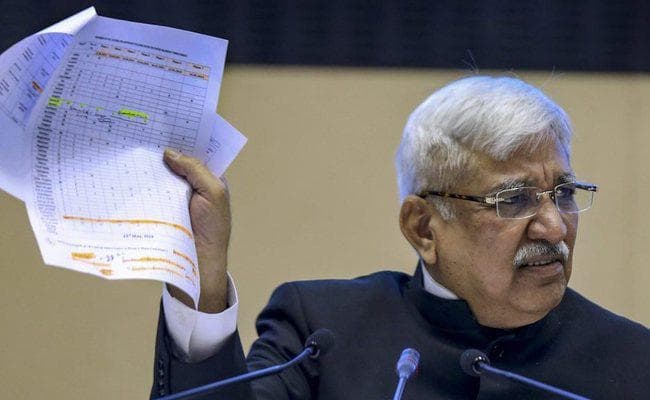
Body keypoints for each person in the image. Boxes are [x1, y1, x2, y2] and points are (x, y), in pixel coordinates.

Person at [150, 76, 649, 399]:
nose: (555, 227)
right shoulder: (321, 333)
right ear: (423, 228)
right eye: (514, 200)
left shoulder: (634, 363)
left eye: (564, 193)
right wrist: (203, 284)